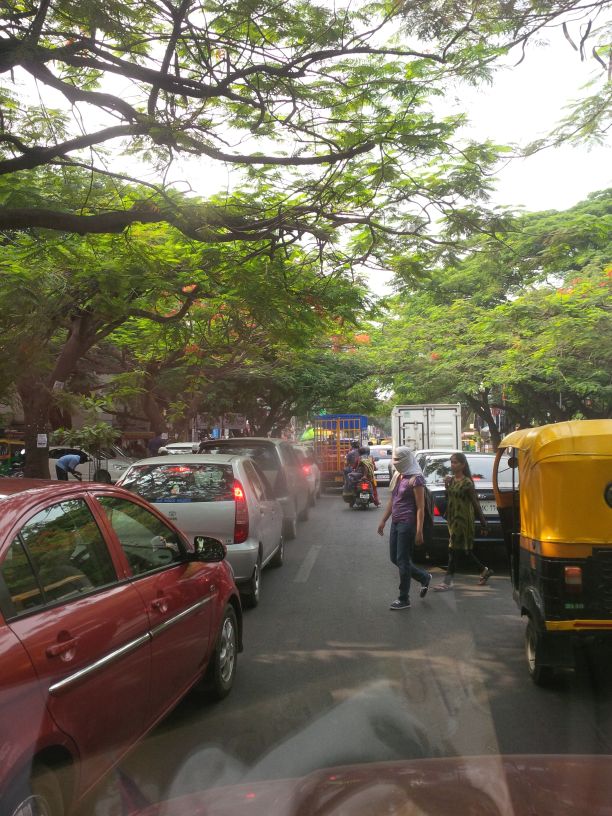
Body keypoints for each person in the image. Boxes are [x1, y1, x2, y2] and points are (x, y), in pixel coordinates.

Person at [377, 447, 432, 610]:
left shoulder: (416, 479)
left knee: (402, 560)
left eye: (399, 460)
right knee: (395, 558)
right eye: (394, 460)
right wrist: (383, 520)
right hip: (396, 522)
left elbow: (421, 508)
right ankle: (423, 577)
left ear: (407, 459)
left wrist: (419, 530)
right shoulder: (399, 475)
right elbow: (392, 501)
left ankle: (404, 598)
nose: (396, 463)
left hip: (407, 524)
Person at [434, 451, 493, 591]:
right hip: (453, 519)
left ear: (462, 465)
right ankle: (484, 570)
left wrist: (484, 524)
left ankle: (447, 582)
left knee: (453, 549)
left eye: (455, 462)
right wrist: (446, 486)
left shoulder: (467, 483)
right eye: (451, 462)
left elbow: (475, 503)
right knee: (463, 550)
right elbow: (449, 498)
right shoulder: (451, 480)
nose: (452, 465)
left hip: (463, 520)